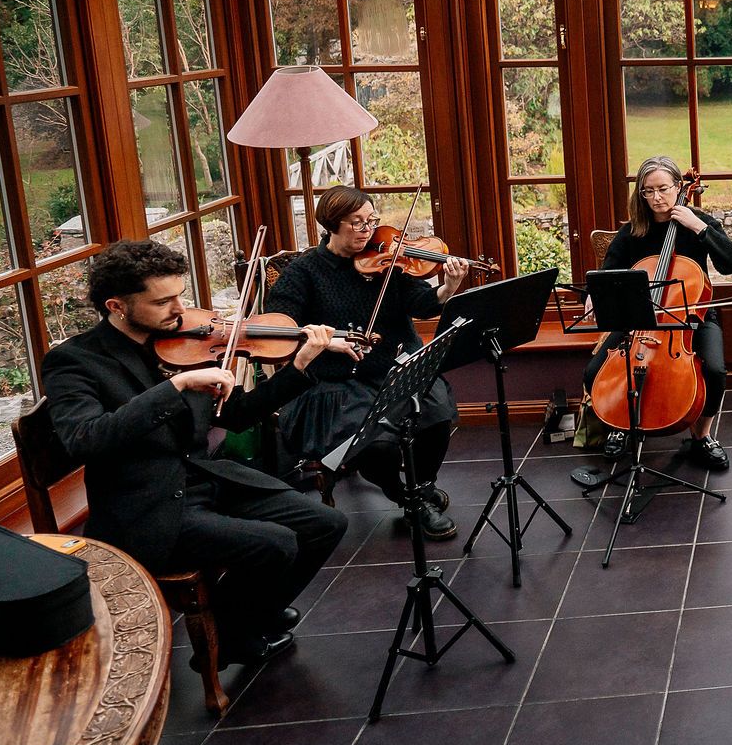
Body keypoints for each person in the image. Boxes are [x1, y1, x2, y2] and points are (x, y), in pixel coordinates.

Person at [44, 239, 354, 668]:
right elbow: (84, 438)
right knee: (276, 543)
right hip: (145, 505)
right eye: (163, 301)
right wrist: (174, 387)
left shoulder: (186, 340)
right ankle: (231, 637)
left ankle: (250, 612)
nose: (179, 308)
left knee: (326, 523)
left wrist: (299, 366)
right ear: (117, 305)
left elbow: (238, 414)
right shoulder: (75, 362)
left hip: (206, 479)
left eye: (179, 295)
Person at [267, 186, 470, 539]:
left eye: (371, 220)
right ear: (332, 225)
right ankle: (407, 498)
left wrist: (448, 287)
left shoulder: (387, 260)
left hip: (394, 366)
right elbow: (279, 325)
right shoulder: (305, 272)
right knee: (374, 444)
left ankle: (421, 487)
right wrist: (324, 340)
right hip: (334, 381)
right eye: (356, 223)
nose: (367, 230)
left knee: (436, 415)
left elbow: (422, 303)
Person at [578, 155, 732, 473]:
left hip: (692, 320)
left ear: (678, 187)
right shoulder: (633, 231)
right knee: (594, 374)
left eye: (663, 189)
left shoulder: (699, 223)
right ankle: (621, 425)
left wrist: (698, 228)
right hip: (640, 323)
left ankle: (701, 437)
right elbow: (608, 271)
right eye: (648, 191)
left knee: (714, 371)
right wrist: (593, 297)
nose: (656, 197)